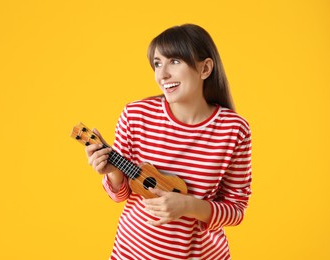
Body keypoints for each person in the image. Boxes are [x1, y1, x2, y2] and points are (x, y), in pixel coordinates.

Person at [85, 24, 252, 260]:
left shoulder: (234, 130)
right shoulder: (136, 115)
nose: (162, 74)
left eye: (174, 61)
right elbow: (120, 195)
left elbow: (236, 210)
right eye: (157, 63)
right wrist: (112, 173)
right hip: (133, 253)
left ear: (205, 68)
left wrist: (188, 206)